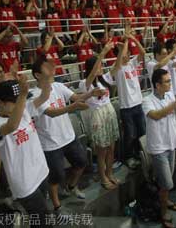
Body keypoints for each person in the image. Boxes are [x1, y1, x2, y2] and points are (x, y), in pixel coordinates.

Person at [30, 57, 100, 211]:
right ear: (37, 75)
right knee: (56, 177)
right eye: (47, 68)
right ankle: (57, 206)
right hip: (50, 142)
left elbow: (76, 97)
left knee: (81, 162)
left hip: (68, 136)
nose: (51, 69)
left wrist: (91, 93)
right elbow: (51, 113)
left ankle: (71, 186)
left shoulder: (58, 86)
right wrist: (72, 107)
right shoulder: (34, 95)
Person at [0, 75, 52, 224]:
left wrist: (47, 78)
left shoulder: (23, 109)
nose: (19, 104)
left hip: (40, 171)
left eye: (20, 100)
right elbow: (11, 126)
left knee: (40, 218)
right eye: (14, 101)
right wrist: (22, 95)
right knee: (43, 219)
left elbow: (45, 96)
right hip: (24, 182)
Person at [143, 69, 176, 228]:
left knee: (167, 181)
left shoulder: (169, 96)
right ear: (157, 85)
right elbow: (155, 115)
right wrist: (174, 104)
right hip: (158, 147)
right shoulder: (147, 100)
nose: (170, 83)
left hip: (171, 143)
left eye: (170, 80)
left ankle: (166, 199)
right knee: (167, 183)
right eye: (167, 81)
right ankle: (163, 213)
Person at [79, 42, 120, 190]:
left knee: (111, 148)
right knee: (101, 150)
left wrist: (121, 50)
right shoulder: (84, 83)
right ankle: (103, 177)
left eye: (100, 66)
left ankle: (109, 173)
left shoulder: (104, 79)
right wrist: (103, 52)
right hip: (97, 116)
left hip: (109, 112)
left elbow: (117, 67)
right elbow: (89, 81)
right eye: (97, 66)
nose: (100, 68)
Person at [104, 33, 147, 169]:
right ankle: (128, 157)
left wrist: (133, 39)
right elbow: (117, 63)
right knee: (130, 135)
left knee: (141, 131)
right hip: (127, 107)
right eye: (125, 53)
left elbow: (143, 52)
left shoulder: (132, 64)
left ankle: (139, 154)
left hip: (138, 104)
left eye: (128, 53)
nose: (128, 55)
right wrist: (123, 47)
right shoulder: (117, 69)